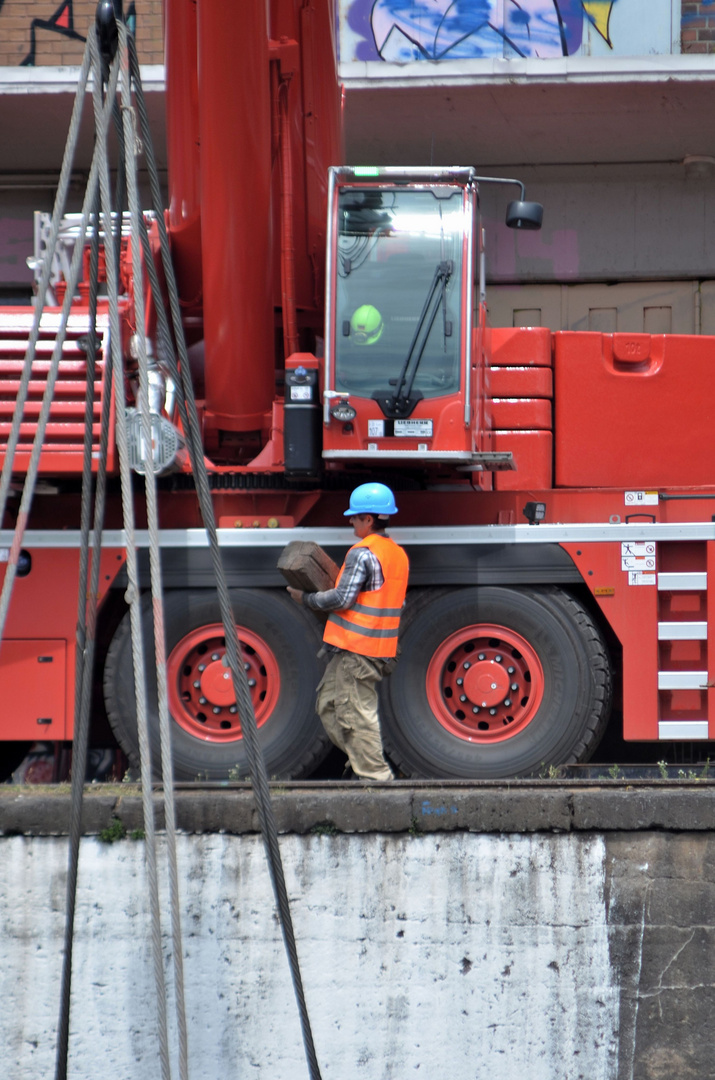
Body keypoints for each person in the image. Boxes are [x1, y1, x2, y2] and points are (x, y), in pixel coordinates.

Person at [287, 482, 409, 781]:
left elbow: (342, 598)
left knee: (355, 715)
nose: (351, 521)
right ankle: (363, 760)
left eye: (355, 517)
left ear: (370, 519)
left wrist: (306, 599)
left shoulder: (363, 553)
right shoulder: (397, 555)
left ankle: (375, 779)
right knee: (328, 705)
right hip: (367, 649)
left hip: (359, 649)